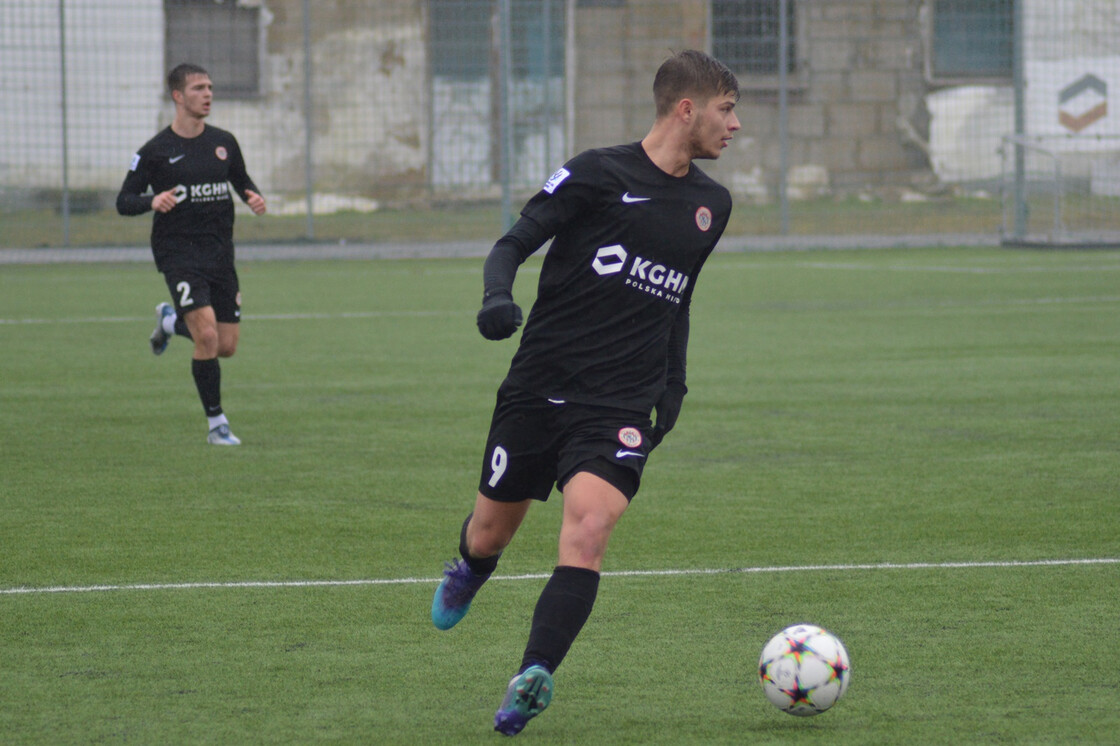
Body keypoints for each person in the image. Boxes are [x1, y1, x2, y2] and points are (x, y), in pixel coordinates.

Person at [430, 49, 741, 736]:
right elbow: (514, 242)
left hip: (620, 403)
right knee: (490, 531)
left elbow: (678, 300)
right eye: (726, 108)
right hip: (539, 388)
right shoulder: (597, 173)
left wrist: (675, 383)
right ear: (686, 109)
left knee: (591, 525)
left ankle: (532, 675)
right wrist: (494, 298)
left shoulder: (712, 205)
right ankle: (473, 568)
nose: (736, 124)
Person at [117, 63, 266, 446]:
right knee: (207, 336)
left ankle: (168, 324)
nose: (208, 94)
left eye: (210, 87)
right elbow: (124, 201)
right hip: (179, 254)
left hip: (220, 255)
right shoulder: (154, 152)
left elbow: (241, 179)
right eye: (199, 88)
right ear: (178, 96)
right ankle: (217, 425)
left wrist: (251, 194)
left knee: (225, 346)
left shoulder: (224, 142)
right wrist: (153, 200)